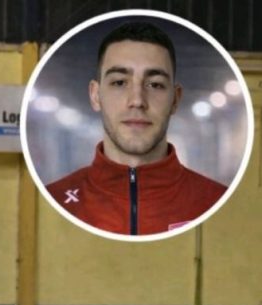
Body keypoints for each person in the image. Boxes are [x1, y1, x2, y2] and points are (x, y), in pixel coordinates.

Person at [46, 22, 227, 236]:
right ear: (95, 95)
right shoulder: (53, 201)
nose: (137, 101)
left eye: (155, 84)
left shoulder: (217, 201)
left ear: (175, 99)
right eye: (119, 82)